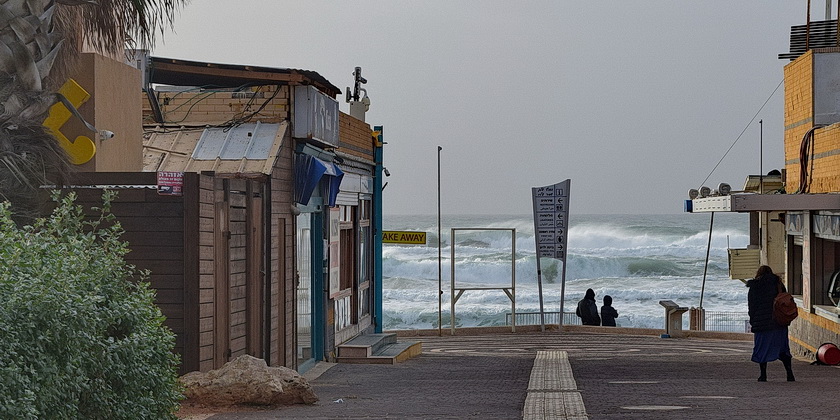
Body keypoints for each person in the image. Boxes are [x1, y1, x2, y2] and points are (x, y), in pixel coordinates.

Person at [747, 265, 795, 382]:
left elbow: (751, 306)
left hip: (761, 324)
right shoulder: (778, 285)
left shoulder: (754, 287)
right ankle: (789, 374)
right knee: (782, 348)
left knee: (762, 349)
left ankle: (763, 375)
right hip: (778, 322)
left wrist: (753, 320)